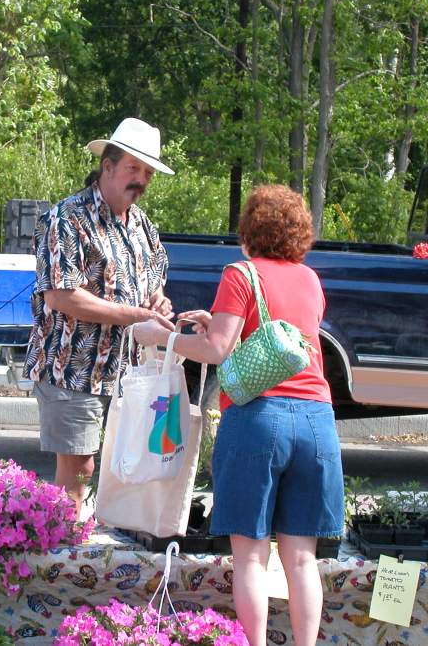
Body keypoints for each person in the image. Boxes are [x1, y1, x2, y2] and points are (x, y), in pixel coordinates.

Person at [134, 184, 344, 646]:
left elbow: (217, 349)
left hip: (258, 420)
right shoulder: (310, 279)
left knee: (251, 558)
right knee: (302, 558)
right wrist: (225, 325)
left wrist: (160, 338)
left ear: (248, 230)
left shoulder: (240, 273)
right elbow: (280, 341)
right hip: (317, 421)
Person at [22, 117, 175, 517]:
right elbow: (61, 296)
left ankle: (94, 564)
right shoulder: (66, 219)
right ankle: (63, 566)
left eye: (146, 172)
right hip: (72, 368)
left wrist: (158, 303)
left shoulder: (143, 225)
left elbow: (154, 283)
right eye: (132, 169)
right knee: (79, 473)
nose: (140, 180)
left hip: (127, 375)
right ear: (107, 166)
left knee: (124, 472)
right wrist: (135, 314)